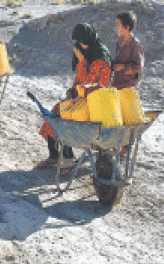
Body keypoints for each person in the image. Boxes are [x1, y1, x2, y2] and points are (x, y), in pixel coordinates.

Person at [37, 23, 112, 168]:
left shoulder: (100, 57)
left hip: (96, 101)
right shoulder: (86, 53)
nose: (78, 46)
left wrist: (82, 61)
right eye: (77, 43)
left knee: (66, 117)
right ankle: (53, 154)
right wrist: (71, 92)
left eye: (81, 43)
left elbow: (91, 83)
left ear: (89, 40)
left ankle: (69, 158)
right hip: (83, 97)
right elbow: (78, 81)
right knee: (55, 112)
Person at [112, 11, 144, 89]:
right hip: (118, 85)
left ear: (127, 27)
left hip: (129, 87)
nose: (116, 27)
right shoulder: (120, 42)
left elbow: (138, 66)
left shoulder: (135, 44)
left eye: (118, 24)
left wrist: (123, 67)